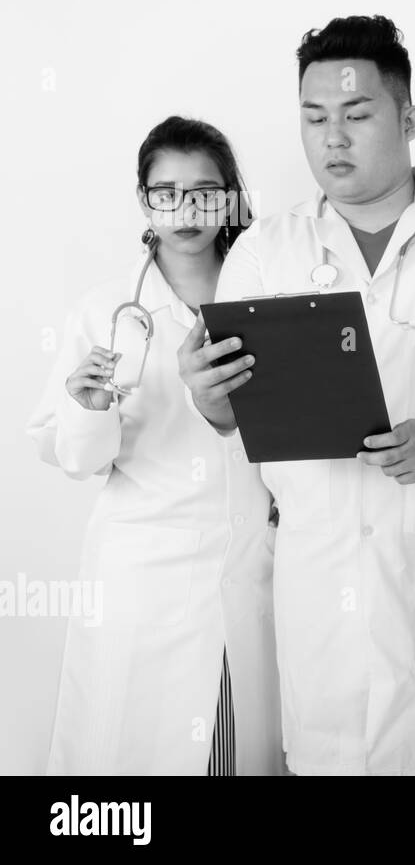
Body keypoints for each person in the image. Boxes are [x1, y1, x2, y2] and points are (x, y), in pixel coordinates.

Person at [178, 15, 415, 775]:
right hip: (324, 578)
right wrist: (208, 395)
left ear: (409, 118)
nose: (333, 138)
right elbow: (231, 411)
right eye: (315, 118)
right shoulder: (266, 249)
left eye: (357, 116)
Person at [28, 116, 282, 775]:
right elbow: (77, 458)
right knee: (129, 762)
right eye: (167, 192)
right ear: (144, 201)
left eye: (205, 190)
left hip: (249, 570)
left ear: (230, 196)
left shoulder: (271, 299)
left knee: (230, 748)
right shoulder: (106, 310)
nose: (188, 208)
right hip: (139, 581)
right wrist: (87, 409)